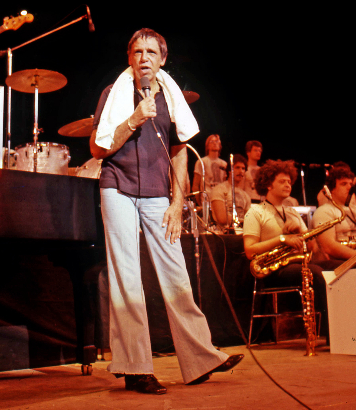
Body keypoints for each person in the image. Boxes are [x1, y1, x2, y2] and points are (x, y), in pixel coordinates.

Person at [89, 28, 243, 395]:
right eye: (137, 52)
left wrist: (177, 203)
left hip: (159, 194)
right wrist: (133, 119)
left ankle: (200, 358)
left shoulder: (172, 96)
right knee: (128, 279)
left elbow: (178, 152)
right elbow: (97, 148)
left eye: (151, 52)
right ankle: (135, 368)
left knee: (176, 275)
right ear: (129, 58)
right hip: (118, 187)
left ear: (162, 60)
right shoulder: (113, 93)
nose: (144, 58)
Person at [243, 159, 329, 341]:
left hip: (295, 263)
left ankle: (338, 330)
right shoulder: (255, 212)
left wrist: (300, 233)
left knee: (333, 269)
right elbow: (250, 250)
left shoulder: (292, 212)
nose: (288, 185)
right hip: (273, 270)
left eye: (289, 181)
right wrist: (282, 239)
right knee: (316, 273)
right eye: (282, 181)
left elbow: (312, 247)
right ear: (268, 184)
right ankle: (330, 333)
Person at [311, 164, 356, 265]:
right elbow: (329, 246)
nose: (349, 187)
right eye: (344, 184)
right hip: (341, 263)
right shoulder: (323, 211)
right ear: (332, 189)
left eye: (350, 184)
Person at [210, 154, 251, 231]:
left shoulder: (246, 196)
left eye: (243, 168)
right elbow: (222, 218)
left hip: (242, 233)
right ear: (229, 171)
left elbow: (250, 219)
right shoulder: (219, 189)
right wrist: (242, 221)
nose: (241, 171)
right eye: (237, 167)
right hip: (223, 234)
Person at [192, 134, 227, 205]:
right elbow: (195, 185)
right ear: (207, 145)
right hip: (206, 200)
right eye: (212, 141)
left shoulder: (224, 164)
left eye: (217, 141)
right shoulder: (201, 162)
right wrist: (199, 203)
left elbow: (225, 184)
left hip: (220, 199)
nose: (214, 143)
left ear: (220, 145)